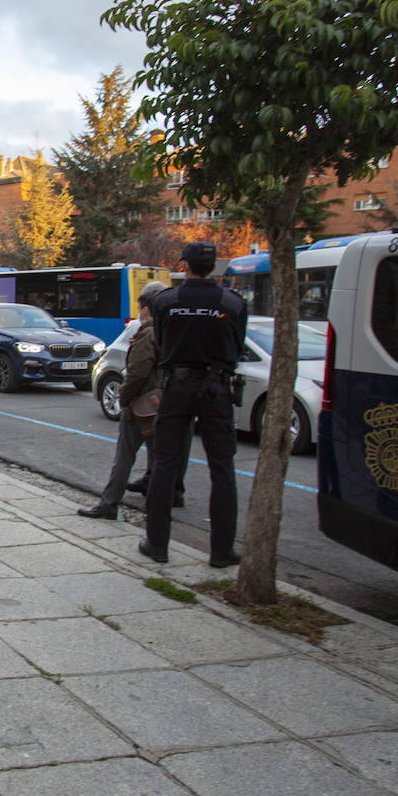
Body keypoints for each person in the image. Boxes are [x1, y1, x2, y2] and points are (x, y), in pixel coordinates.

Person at [139, 241, 247, 567]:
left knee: (164, 465)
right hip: (216, 388)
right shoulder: (233, 302)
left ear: (183, 265)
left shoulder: (165, 302)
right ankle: (221, 550)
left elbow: (161, 340)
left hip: (176, 387)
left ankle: (157, 544)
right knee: (223, 468)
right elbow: (237, 346)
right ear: (213, 267)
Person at [78, 281, 188, 519]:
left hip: (142, 405)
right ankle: (160, 506)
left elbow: (137, 372)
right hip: (165, 403)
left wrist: (124, 397)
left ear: (146, 308)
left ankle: (109, 503)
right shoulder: (173, 330)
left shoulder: (148, 333)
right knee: (160, 458)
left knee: (124, 457)